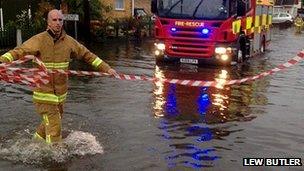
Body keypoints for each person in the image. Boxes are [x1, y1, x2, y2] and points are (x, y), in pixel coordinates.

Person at [0, 9, 117, 144]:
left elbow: (88, 55)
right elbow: (18, 52)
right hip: (44, 94)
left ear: (63, 22)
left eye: (60, 20)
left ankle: (33, 144)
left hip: (61, 95)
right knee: (55, 128)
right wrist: (2, 61)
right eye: (54, 20)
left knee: (51, 122)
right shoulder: (39, 40)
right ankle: (55, 157)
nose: (57, 23)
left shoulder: (69, 42)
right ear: (48, 22)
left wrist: (107, 68)